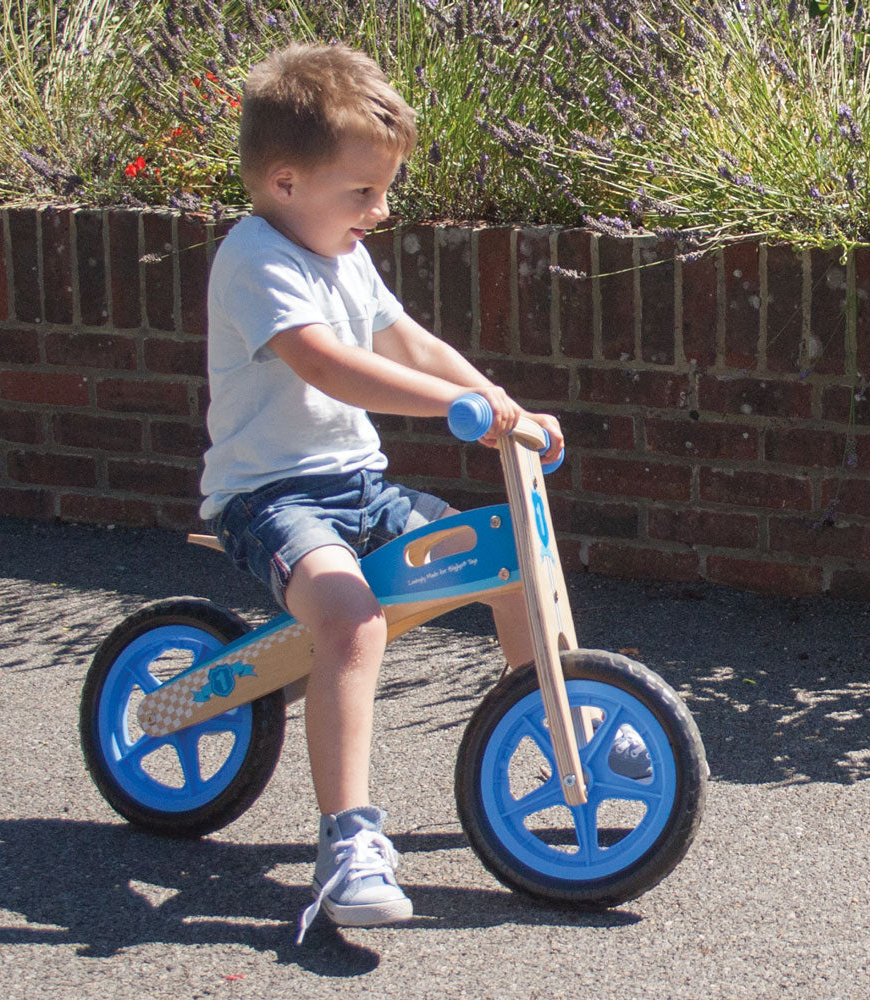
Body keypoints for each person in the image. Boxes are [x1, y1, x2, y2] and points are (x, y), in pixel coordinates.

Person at [199, 42, 584, 943]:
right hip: (273, 500)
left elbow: (408, 341)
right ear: (286, 183)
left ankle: (565, 726)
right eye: (363, 192)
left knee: (507, 559)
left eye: (384, 190)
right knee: (351, 620)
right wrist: (451, 408)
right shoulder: (256, 259)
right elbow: (329, 365)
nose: (381, 209)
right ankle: (347, 840)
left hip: (358, 489)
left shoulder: (343, 251)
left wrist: (501, 404)